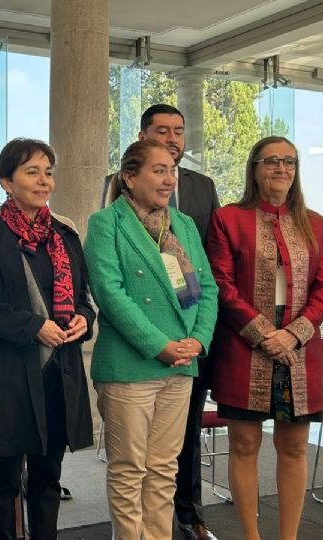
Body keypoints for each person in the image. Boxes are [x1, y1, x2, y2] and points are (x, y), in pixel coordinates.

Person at [0, 138, 96, 540]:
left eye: (48, 172)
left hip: (58, 374)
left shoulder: (65, 236)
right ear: (7, 181)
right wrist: (32, 326)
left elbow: (86, 299)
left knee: (48, 479)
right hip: (7, 377)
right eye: (32, 172)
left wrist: (83, 321)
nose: (44, 181)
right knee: (2, 483)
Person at [85, 139, 218, 540]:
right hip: (131, 364)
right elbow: (109, 294)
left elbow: (207, 289)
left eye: (172, 170)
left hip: (182, 362)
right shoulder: (106, 223)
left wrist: (198, 341)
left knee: (164, 469)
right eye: (158, 170)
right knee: (129, 471)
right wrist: (159, 344)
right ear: (129, 176)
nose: (168, 178)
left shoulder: (186, 225)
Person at [206, 136, 323, 540]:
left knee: (295, 448)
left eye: (290, 162)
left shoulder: (315, 223)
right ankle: (250, 536)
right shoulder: (228, 218)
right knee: (244, 446)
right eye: (272, 161)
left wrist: (293, 335)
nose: (282, 169)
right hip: (245, 350)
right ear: (254, 168)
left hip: (299, 353)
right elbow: (221, 285)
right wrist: (265, 335)